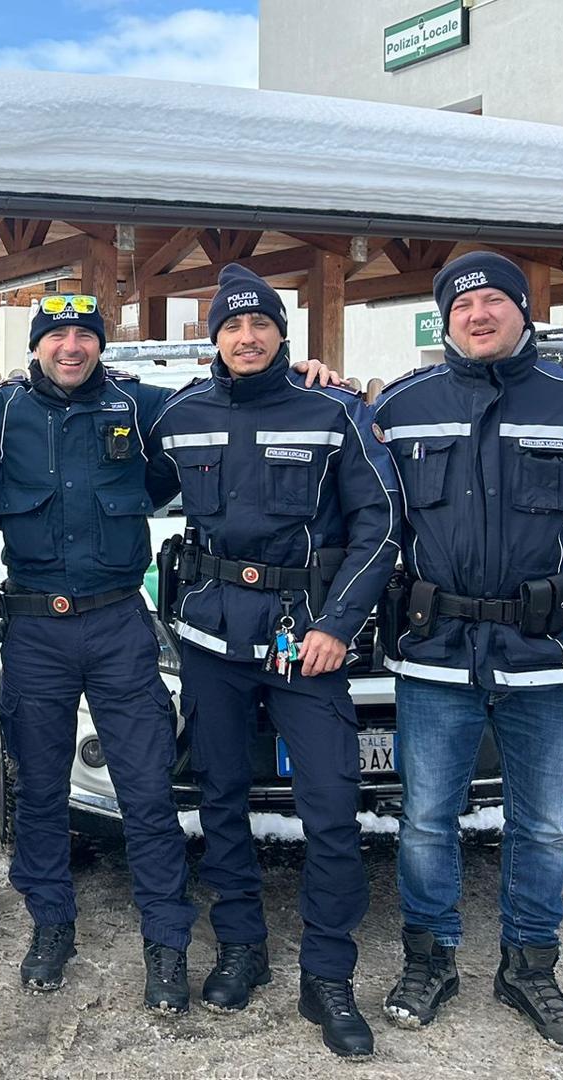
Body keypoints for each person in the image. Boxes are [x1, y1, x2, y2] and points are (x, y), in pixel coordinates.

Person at [0, 291, 348, 1011]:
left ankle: (165, 941)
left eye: (84, 335)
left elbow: (231, 399)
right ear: (35, 347)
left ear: (101, 345)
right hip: (34, 628)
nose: (70, 347)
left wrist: (305, 374)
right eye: (56, 336)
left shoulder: (144, 407)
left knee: (147, 791)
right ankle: (51, 926)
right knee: (41, 792)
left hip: (117, 627)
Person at [373, 252, 563, 1053]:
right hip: (436, 656)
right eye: (462, 306)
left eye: (494, 302)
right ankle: (429, 961)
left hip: (550, 657)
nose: (478, 315)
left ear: (522, 310)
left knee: (540, 827)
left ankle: (530, 968)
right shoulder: (399, 407)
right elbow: (362, 519)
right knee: (426, 823)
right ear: (447, 320)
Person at [153, 265, 399, 1056]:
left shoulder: (334, 410)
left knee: (331, 806)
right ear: (214, 338)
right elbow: (113, 451)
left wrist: (339, 625)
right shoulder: (180, 413)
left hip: (306, 642)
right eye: (232, 325)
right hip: (211, 640)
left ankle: (327, 974)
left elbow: (380, 525)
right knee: (220, 798)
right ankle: (242, 947)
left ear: (283, 334)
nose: (247, 336)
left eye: (260, 324)